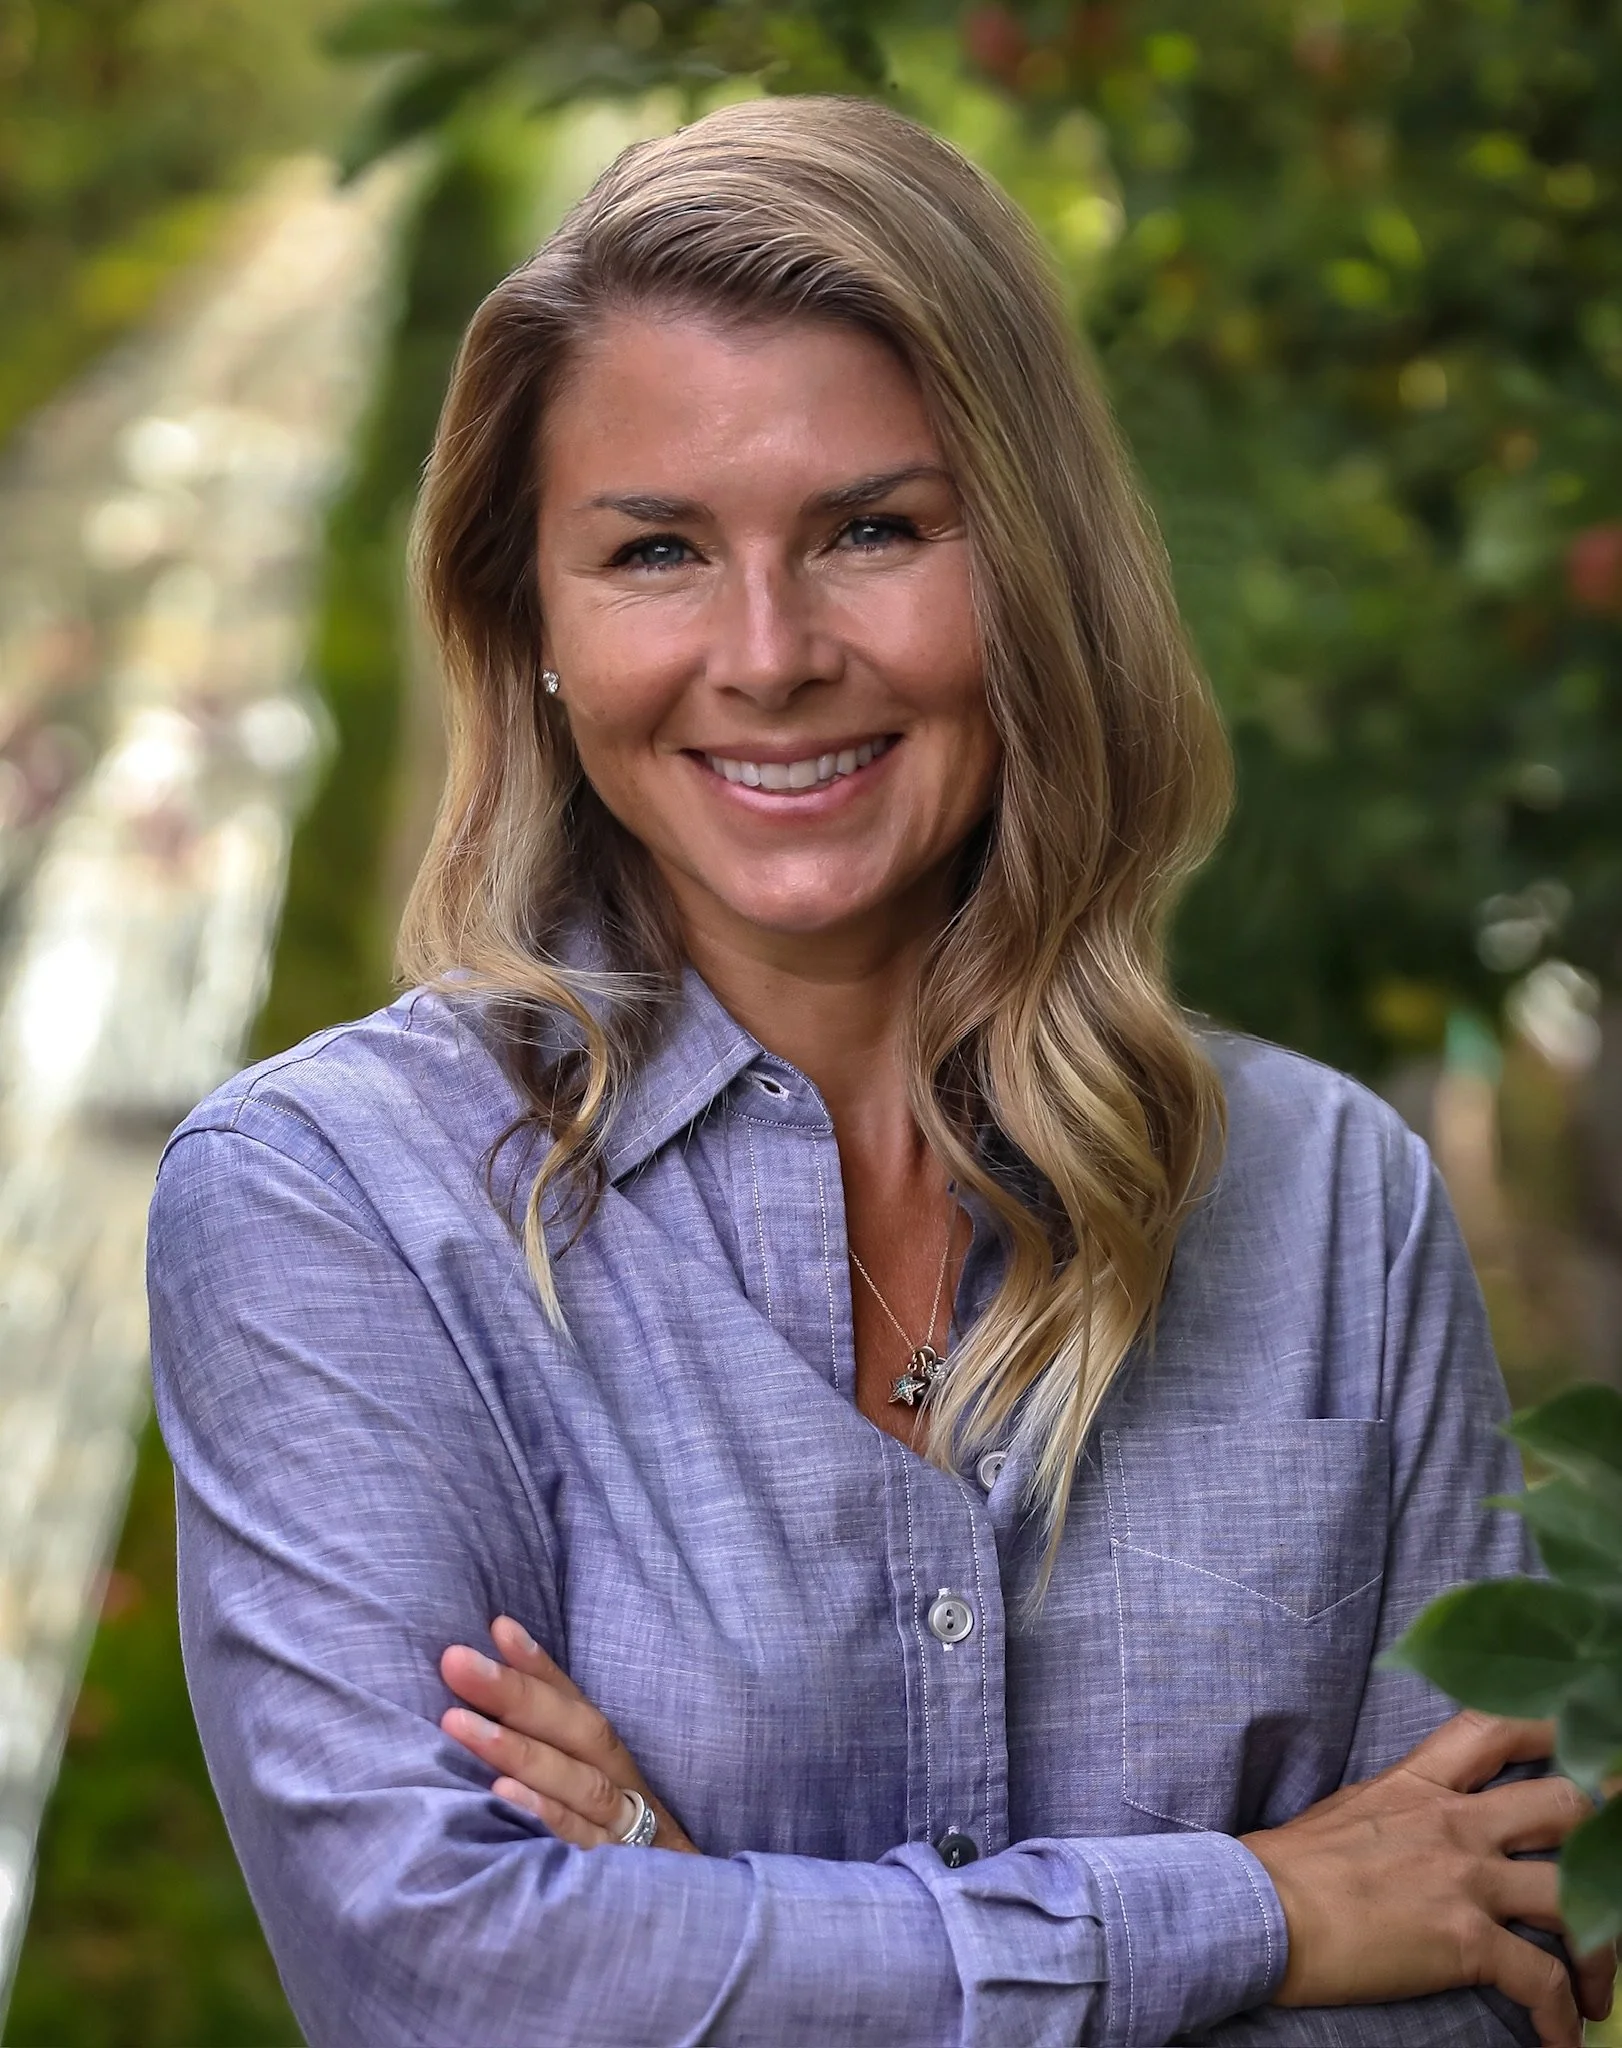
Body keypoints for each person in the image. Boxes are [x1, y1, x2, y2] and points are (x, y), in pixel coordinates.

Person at [147, 95, 1609, 2048]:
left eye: (871, 531)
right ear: (534, 622)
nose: (767, 654)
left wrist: (693, 1917)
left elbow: (1491, 1973)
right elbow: (454, 1982)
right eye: (655, 550)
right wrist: (1260, 1910)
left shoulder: (1333, 1199)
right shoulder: (336, 1206)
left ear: (1038, 573)